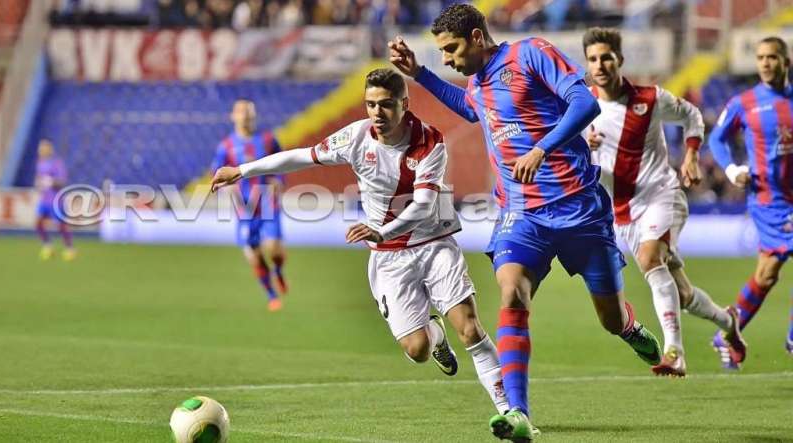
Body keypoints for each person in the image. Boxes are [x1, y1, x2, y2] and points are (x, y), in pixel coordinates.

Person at [389, 4, 661, 441]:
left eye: (452, 49)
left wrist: (542, 148)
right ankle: (518, 414)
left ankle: (628, 327)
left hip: (580, 209)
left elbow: (584, 101)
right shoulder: (477, 83)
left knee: (609, 317)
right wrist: (420, 74)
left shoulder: (531, 53)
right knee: (512, 292)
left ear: (477, 37)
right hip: (522, 213)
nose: (448, 59)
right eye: (441, 53)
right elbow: (470, 106)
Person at [211, 68, 510, 419]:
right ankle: (435, 335)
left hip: (433, 243)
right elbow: (301, 156)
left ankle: (509, 412)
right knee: (417, 349)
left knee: (471, 327)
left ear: (404, 103)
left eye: (385, 105)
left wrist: (380, 230)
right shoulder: (355, 137)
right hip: (389, 258)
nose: (377, 114)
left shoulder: (429, 141)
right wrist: (243, 170)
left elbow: (425, 205)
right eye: (370, 105)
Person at [582, 27, 746, 377]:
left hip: (662, 194)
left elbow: (692, 117)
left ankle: (675, 352)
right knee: (682, 295)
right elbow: (577, 160)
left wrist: (690, 155)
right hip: (622, 214)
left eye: (606, 57)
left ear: (620, 60)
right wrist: (586, 147)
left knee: (649, 259)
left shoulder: (651, 98)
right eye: (593, 59)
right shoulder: (582, 110)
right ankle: (728, 321)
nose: (600, 64)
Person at [708, 36, 793, 368]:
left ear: (786, 61)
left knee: (767, 273)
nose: (765, 63)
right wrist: (731, 169)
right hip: (769, 200)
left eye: (772, 57)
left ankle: (728, 331)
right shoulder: (745, 102)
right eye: (760, 57)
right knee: (769, 271)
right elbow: (717, 137)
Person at [212, 100, 288, 312]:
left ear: (254, 115)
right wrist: (227, 188)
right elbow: (216, 172)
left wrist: (278, 182)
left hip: (266, 203)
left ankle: (279, 270)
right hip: (244, 208)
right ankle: (272, 295)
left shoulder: (267, 139)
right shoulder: (226, 146)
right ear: (233, 116)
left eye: (248, 112)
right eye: (241, 112)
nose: (245, 115)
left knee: (273, 248)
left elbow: (282, 163)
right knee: (254, 255)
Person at [35, 139, 75, 261]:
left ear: (50, 150)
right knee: (38, 223)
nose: (42, 150)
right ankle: (48, 246)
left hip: (56, 200)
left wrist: (51, 182)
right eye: (41, 148)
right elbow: (39, 179)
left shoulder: (56, 163)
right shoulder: (39, 163)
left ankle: (70, 248)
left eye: (44, 147)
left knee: (61, 226)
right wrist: (38, 183)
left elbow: (62, 182)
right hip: (44, 200)